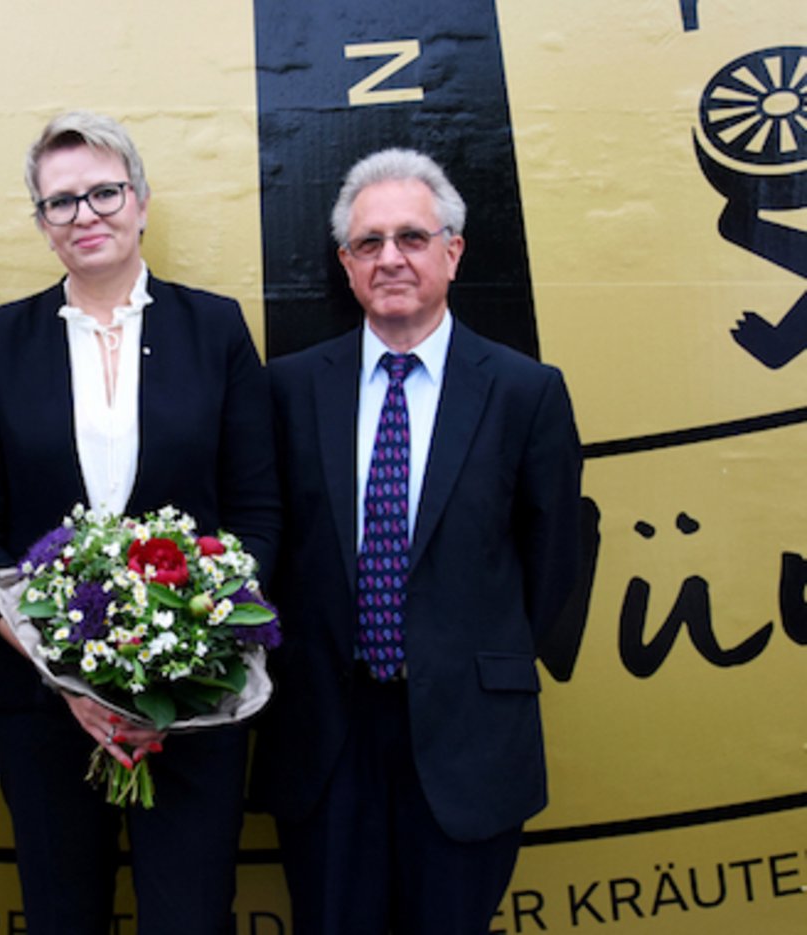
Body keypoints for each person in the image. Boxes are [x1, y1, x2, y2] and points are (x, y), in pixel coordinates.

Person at [0, 111, 280, 934]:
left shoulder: (216, 329)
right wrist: (63, 667)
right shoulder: (0, 341)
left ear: (140, 201)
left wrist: (184, 652)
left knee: (191, 915)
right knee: (63, 915)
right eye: (60, 202)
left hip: (196, 703)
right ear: (41, 223)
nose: (85, 214)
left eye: (104, 192)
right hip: (42, 708)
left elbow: (259, 513)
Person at [255, 148, 582, 934]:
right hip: (327, 737)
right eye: (369, 243)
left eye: (411, 236)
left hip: (467, 738)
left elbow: (554, 561)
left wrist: (463, 656)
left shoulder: (525, 391)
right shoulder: (289, 389)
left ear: (453, 250)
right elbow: (270, 549)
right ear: (345, 262)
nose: (390, 258)